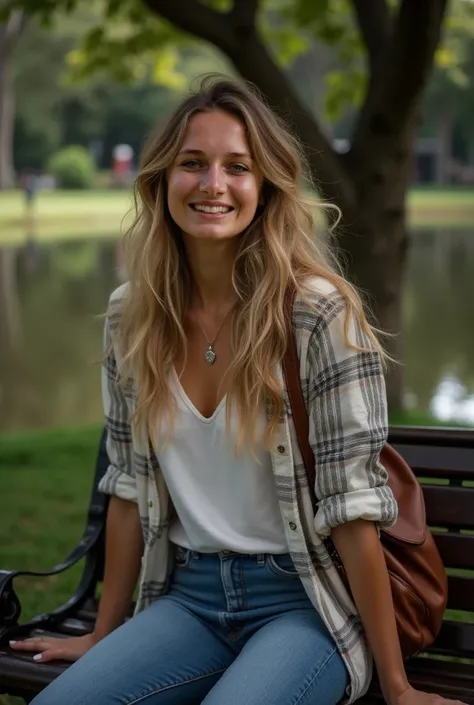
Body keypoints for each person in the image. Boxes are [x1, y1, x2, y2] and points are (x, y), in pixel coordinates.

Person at [11, 76, 464, 705]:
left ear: (265, 186)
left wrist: (396, 685)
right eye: (192, 164)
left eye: (237, 167)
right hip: (188, 599)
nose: (213, 185)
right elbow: (125, 486)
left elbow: (354, 509)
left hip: (305, 604)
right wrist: (102, 634)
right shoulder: (131, 317)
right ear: (162, 180)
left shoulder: (317, 314)